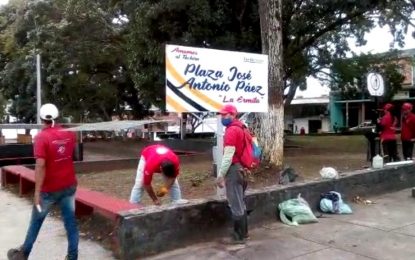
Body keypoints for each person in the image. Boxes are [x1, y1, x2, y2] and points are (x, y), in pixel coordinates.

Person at [7, 104, 79, 260]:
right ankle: (72, 257)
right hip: (69, 185)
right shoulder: (70, 134)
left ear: (41, 118)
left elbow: (40, 165)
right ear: (57, 116)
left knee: (36, 222)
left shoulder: (41, 137)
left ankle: (23, 254)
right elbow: (68, 154)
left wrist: (37, 192)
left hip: (48, 190)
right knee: (71, 223)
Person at [216, 104, 248, 244]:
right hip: (242, 168)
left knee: (235, 203)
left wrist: (221, 175)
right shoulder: (242, 127)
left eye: (225, 115)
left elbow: (228, 156)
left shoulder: (231, 131)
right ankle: (244, 233)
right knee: (240, 200)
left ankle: (238, 236)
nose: (222, 117)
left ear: (233, 114)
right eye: (221, 115)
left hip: (234, 169)